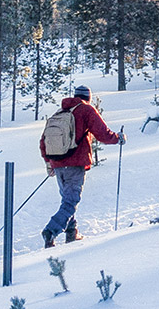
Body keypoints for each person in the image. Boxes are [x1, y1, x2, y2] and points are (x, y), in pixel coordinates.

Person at [41, 85, 123, 247]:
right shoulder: (86, 110)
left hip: (57, 164)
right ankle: (51, 230)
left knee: (67, 200)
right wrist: (118, 138)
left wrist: (48, 162)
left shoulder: (60, 112)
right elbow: (102, 133)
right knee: (71, 201)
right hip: (75, 162)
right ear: (88, 97)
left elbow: (43, 141)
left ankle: (72, 232)